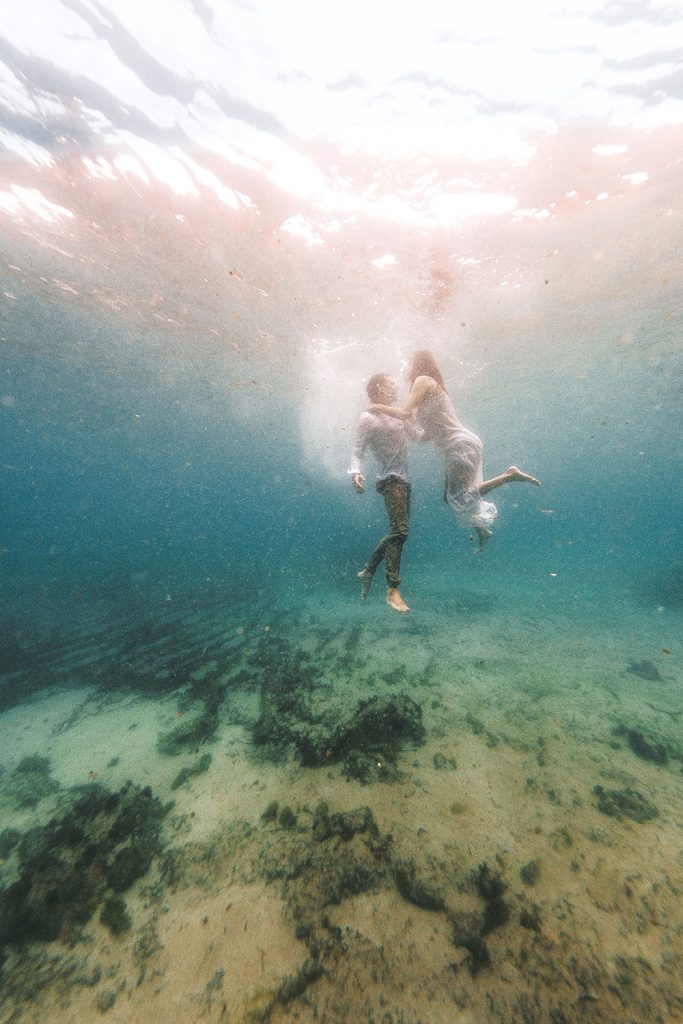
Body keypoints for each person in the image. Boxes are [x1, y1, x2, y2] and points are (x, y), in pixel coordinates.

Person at [367, 350, 540, 551]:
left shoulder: (423, 380)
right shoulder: (427, 389)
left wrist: (376, 406)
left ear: (418, 365)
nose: (404, 369)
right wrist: (403, 420)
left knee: (460, 496)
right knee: (451, 498)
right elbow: (421, 437)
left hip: (459, 446)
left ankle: (509, 475)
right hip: (459, 446)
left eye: (408, 363)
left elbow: (405, 412)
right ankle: (482, 530)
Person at [349, 373, 424, 612]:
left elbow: (419, 437)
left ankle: (368, 571)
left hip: (404, 481)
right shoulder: (368, 417)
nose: (397, 386)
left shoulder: (399, 415)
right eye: (392, 383)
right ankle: (392, 590)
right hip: (389, 480)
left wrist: (437, 426)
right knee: (400, 531)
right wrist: (355, 473)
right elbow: (357, 450)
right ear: (380, 387)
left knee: (399, 533)